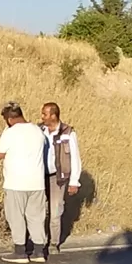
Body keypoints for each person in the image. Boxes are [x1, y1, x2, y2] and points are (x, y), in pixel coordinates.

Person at [0, 102, 50, 264]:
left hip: (16, 182)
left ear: (9, 118)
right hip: (37, 182)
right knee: (36, 217)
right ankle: (39, 251)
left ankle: (20, 251)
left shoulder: (11, 133)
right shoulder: (37, 131)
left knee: (16, 217)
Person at [40, 102, 82, 253]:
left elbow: (75, 158)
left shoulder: (68, 132)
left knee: (55, 209)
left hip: (58, 176)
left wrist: (74, 181)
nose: (42, 117)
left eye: (45, 114)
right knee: (39, 209)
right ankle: (40, 240)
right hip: (39, 175)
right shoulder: (39, 130)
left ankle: (53, 242)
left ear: (53, 115)